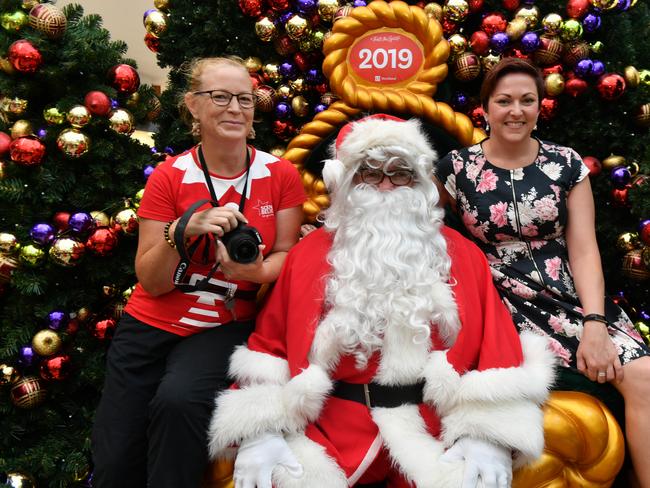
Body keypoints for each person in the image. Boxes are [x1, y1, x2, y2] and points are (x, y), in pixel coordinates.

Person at [207, 114, 555, 488]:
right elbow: (270, 347)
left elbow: (496, 347)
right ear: (347, 182)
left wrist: (489, 435)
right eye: (370, 173)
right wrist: (261, 430)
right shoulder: (309, 254)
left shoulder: (462, 256)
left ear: (419, 182)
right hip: (332, 426)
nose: (386, 186)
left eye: (400, 173)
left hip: (433, 425)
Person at [91, 56, 306, 488]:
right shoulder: (170, 176)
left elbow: (288, 254)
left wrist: (258, 269)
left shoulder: (279, 174)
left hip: (224, 322)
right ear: (192, 105)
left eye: (244, 99)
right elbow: (150, 281)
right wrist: (180, 232)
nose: (235, 108)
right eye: (220, 97)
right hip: (151, 320)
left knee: (179, 402)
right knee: (115, 455)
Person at [435, 57, 650, 487]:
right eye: (504, 100)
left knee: (643, 373)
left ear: (538, 107)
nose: (516, 110)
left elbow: (585, 248)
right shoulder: (455, 168)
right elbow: (412, 220)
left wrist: (594, 324)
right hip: (499, 299)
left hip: (569, 293)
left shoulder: (565, 163)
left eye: (527, 100)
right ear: (486, 108)